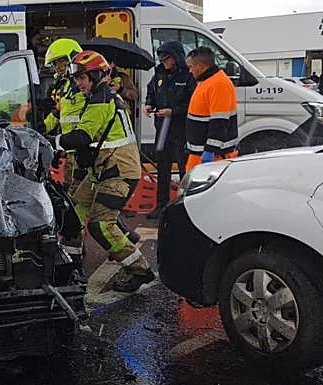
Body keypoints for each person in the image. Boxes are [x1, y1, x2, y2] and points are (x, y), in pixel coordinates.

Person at [58, 50, 155, 294]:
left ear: (96, 75)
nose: (78, 83)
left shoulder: (101, 100)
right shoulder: (97, 97)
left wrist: (52, 143)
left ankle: (140, 270)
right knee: (72, 217)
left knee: (101, 225)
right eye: (77, 78)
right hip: (102, 170)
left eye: (82, 77)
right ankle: (72, 268)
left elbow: (82, 136)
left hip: (118, 172)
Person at [143, 40, 193, 217]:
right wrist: (149, 104)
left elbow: (193, 104)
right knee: (162, 167)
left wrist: (173, 112)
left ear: (176, 58)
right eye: (161, 59)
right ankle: (161, 205)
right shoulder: (159, 74)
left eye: (166, 59)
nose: (163, 62)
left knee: (183, 168)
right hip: (162, 129)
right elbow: (151, 91)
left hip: (181, 129)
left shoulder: (188, 76)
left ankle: (185, 207)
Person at [185, 47, 240, 171]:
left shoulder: (218, 84)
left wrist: (210, 150)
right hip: (201, 154)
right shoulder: (207, 81)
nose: (190, 71)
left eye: (191, 67)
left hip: (215, 156)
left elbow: (219, 122)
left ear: (200, 66)